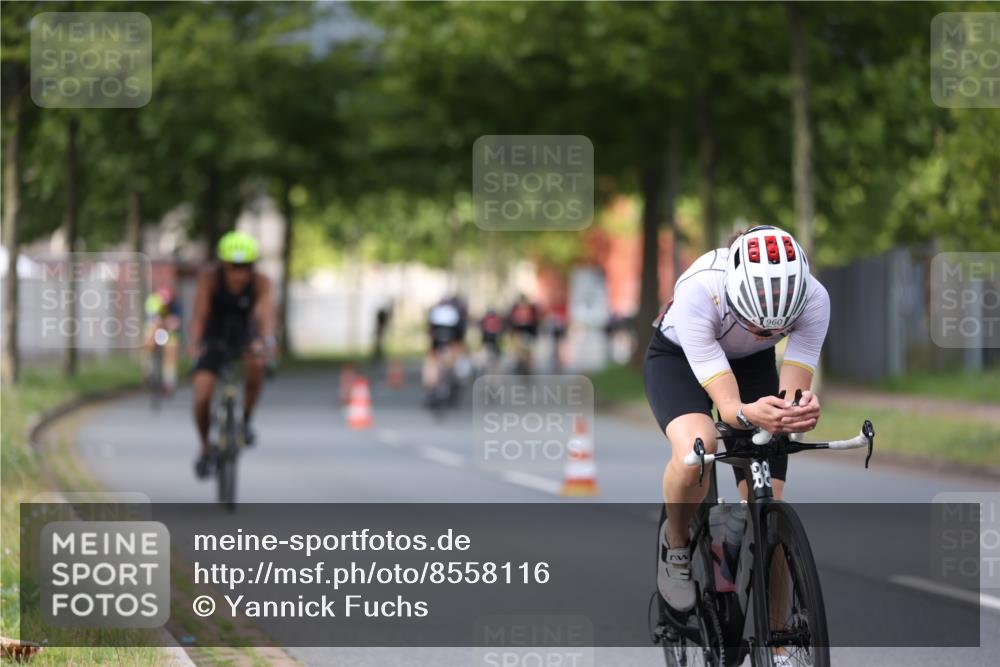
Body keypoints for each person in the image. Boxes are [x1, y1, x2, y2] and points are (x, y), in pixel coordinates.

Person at [645, 225, 828, 617]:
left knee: (769, 506)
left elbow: (792, 394)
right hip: (677, 358)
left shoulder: (814, 299)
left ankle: (779, 644)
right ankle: (675, 542)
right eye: (757, 326)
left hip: (752, 365)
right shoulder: (699, 288)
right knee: (700, 444)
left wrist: (798, 409)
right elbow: (730, 408)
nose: (767, 333)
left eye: (776, 331)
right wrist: (747, 412)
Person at [188, 231, 275, 479]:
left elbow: (266, 316)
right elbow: (199, 316)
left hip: (243, 334)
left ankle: (245, 421)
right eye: (234, 267)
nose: (240, 273)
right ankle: (205, 447)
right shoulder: (210, 280)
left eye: (246, 267)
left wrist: (265, 341)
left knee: (257, 364)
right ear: (223, 265)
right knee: (203, 394)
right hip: (213, 336)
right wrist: (195, 343)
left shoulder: (261, 283)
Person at [143, 286, 182, 392]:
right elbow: (152, 320)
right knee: (149, 339)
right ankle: (148, 369)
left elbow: (176, 323)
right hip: (156, 328)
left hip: (169, 331)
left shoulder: (175, 305)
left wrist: (171, 323)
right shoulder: (153, 301)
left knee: (171, 351)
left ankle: (169, 381)